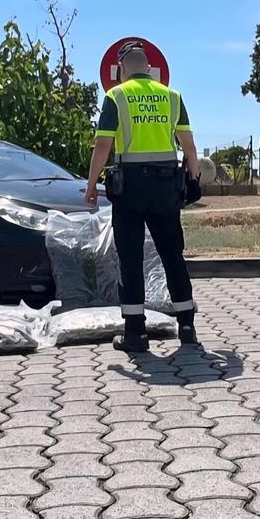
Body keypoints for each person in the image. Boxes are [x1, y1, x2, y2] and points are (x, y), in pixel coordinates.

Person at [84, 41, 202, 352]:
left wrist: (92, 184)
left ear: (122, 69)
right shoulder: (172, 97)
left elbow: (102, 147)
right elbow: (189, 146)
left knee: (131, 259)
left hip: (130, 190)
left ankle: (135, 334)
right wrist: (193, 179)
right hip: (165, 190)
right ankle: (187, 325)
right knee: (172, 255)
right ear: (149, 68)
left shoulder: (116, 96)